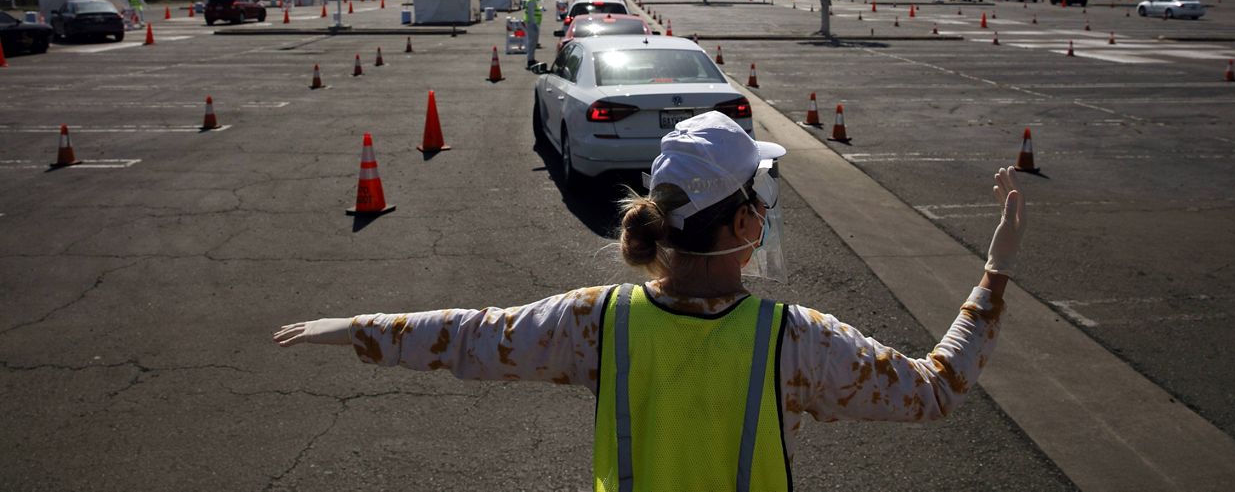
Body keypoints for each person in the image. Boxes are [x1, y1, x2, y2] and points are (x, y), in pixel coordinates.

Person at [274, 111, 1025, 490]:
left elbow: (474, 336)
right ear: (737, 224)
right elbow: (934, 389)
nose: (768, 213)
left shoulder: (600, 322)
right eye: (762, 198)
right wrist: (991, 276)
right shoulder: (796, 340)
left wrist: (359, 327)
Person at [523, 0, 543, 67]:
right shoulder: (531, 1)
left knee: (533, 42)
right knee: (532, 43)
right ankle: (530, 60)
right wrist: (534, 24)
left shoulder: (532, 0)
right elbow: (531, 14)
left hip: (533, 24)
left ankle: (532, 59)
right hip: (532, 24)